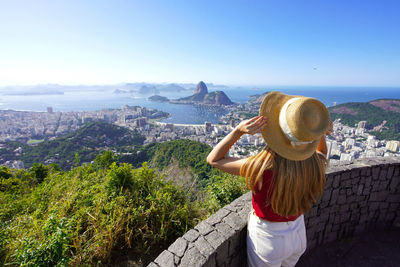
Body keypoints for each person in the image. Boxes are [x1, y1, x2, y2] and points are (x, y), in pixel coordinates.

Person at [206, 91, 332, 267]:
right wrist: (317, 133)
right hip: (298, 233)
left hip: (268, 239)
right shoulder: (314, 164)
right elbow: (321, 153)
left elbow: (214, 159)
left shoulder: (262, 166)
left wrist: (238, 131)